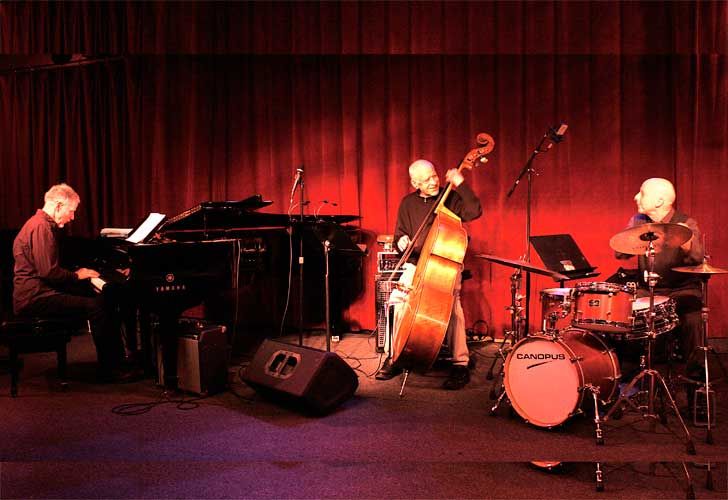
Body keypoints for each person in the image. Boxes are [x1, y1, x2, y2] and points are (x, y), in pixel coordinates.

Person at [376, 159, 482, 390]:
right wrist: (401, 242)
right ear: (415, 183)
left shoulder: (450, 198)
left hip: (445, 265)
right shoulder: (408, 203)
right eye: (426, 180)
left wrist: (460, 183)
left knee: (452, 309)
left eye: (434, 176)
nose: (434, 181)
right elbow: (400, 236)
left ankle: (460, 363)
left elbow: (475, 211)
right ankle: (395, 357)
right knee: (396, 302)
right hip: (416, 264)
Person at [13, 183, 132, 382]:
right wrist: (78, 275)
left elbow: (50, 270)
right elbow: (49, 272)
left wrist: (91, 275)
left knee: (95, 298)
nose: (73, 217)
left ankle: (117, 360)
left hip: (37, 292)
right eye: (71, 211)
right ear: (58, 206)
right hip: (35, 298)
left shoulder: (38, 224)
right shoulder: (41, 227)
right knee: (97, 306)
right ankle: (110, 370)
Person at [615, 177, 704, 377]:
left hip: (682, 289)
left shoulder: (686, 223)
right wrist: (630, 234)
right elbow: (620, 253)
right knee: (622, 310)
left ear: (659, 201)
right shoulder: (639, 221)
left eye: (642, 193)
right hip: (649, 289)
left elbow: (697, 257)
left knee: (693, 321)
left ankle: (696, 384)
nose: (636, 197)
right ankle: (627, 375)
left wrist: (685, 240)